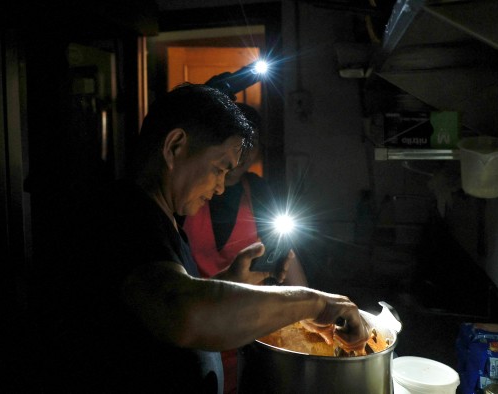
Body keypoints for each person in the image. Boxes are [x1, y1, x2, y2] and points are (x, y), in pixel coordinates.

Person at [56, 83, 370, 394]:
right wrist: (316, 303)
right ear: (175, 146)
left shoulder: (165, 222)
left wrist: (228, 282)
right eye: (220, 169)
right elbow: (180, 310)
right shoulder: (125, 212)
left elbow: (156, 305)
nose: (221, 187)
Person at [181, 102, 308, 394]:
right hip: (194, 327)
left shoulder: (261, 193)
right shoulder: (188, 194)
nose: (244, 154)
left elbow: (290, 265)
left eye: (254, 143)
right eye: (241, 143)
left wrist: (309, 307)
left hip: (245, 338)